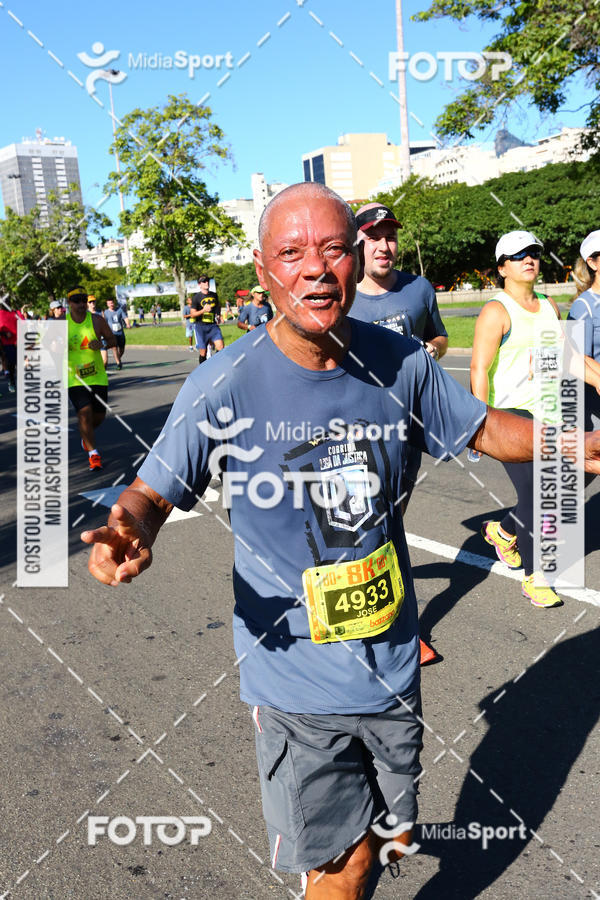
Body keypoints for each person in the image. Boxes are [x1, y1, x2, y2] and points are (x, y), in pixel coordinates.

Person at [82, 185, 600, 898]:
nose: (315, 269)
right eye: (292, 254)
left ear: (354, 262)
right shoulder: (224, 383)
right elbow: (153, 489)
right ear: (264, 273)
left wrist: (568, 443)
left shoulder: (401, 362)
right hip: (293, 673)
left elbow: (481, 428)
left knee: (386, 844)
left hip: (389, 657)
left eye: (331, 249)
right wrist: (129, 528)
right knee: (341, 862)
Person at [470, 230, 600, 608]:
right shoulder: (496, 311)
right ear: (502, 268)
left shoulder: (548, 306)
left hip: (548, 411)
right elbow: (479, 368)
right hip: (509, 415)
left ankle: (504, 531)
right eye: (519, 255)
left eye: (534, 253)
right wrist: (481, 425)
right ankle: (535, 575)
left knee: (575, 477)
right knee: (538, 492)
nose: (529, 259)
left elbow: (571, 358)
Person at [351, 201, 449, 665]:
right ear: (358, 243)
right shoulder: (344, 295)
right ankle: (387, 628)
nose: (384, 245)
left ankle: (392, 627)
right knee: (363, 528)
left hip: (406, 430)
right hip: (351, 433)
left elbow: (440, 336)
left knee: (388, 526)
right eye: (373, 236)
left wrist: (430, 348)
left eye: (390, 235)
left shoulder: (419, 289)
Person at [66, 286, 116, 470]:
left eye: (83, 300)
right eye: (76, 300)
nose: (81, 304)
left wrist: (102, 343)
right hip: (74, 378)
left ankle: (86, 437)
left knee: (98, 417)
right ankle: (93, 455)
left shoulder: (97, 320)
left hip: (97, 377)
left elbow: (113, 340)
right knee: (84, 413)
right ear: (69, 303)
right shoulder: (61, 324)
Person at [568, 230, 600, 485]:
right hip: (593, 398)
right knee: (583, 472)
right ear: (592, 262)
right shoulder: (584, 306)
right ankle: (537, 515)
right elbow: (578, 359)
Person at [189, 275, 224, 364]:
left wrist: (219, 316)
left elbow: (218, 306)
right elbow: (192, 314)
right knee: (203, 352)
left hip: (213, 326)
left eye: (207, 281)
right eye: (204, 281)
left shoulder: (214, 295)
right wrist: (203, 310)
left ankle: (215, 364)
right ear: (199, 284)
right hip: (201, 327)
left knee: (221, 347)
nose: (207, 283)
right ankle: (202, 370)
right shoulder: (196, 297)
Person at [0, 301, 24, 393]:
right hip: (7, 343)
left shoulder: (16, 313)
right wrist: (4, 334)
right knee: (11, 363)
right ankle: (11, 381)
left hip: (19, 342)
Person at [104, 297, 130, 369]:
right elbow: (104, 322)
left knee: (122, 349)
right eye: (109, 303)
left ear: (114, 303)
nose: (111, 304)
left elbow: (125, 318)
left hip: (120, 333)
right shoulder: (106, 312)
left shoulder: (119, 310)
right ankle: (118, 363)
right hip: (112, 334)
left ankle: (118, 358)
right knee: (114, 348)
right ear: (107, 304)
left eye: (112, 303)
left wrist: (128, 324)